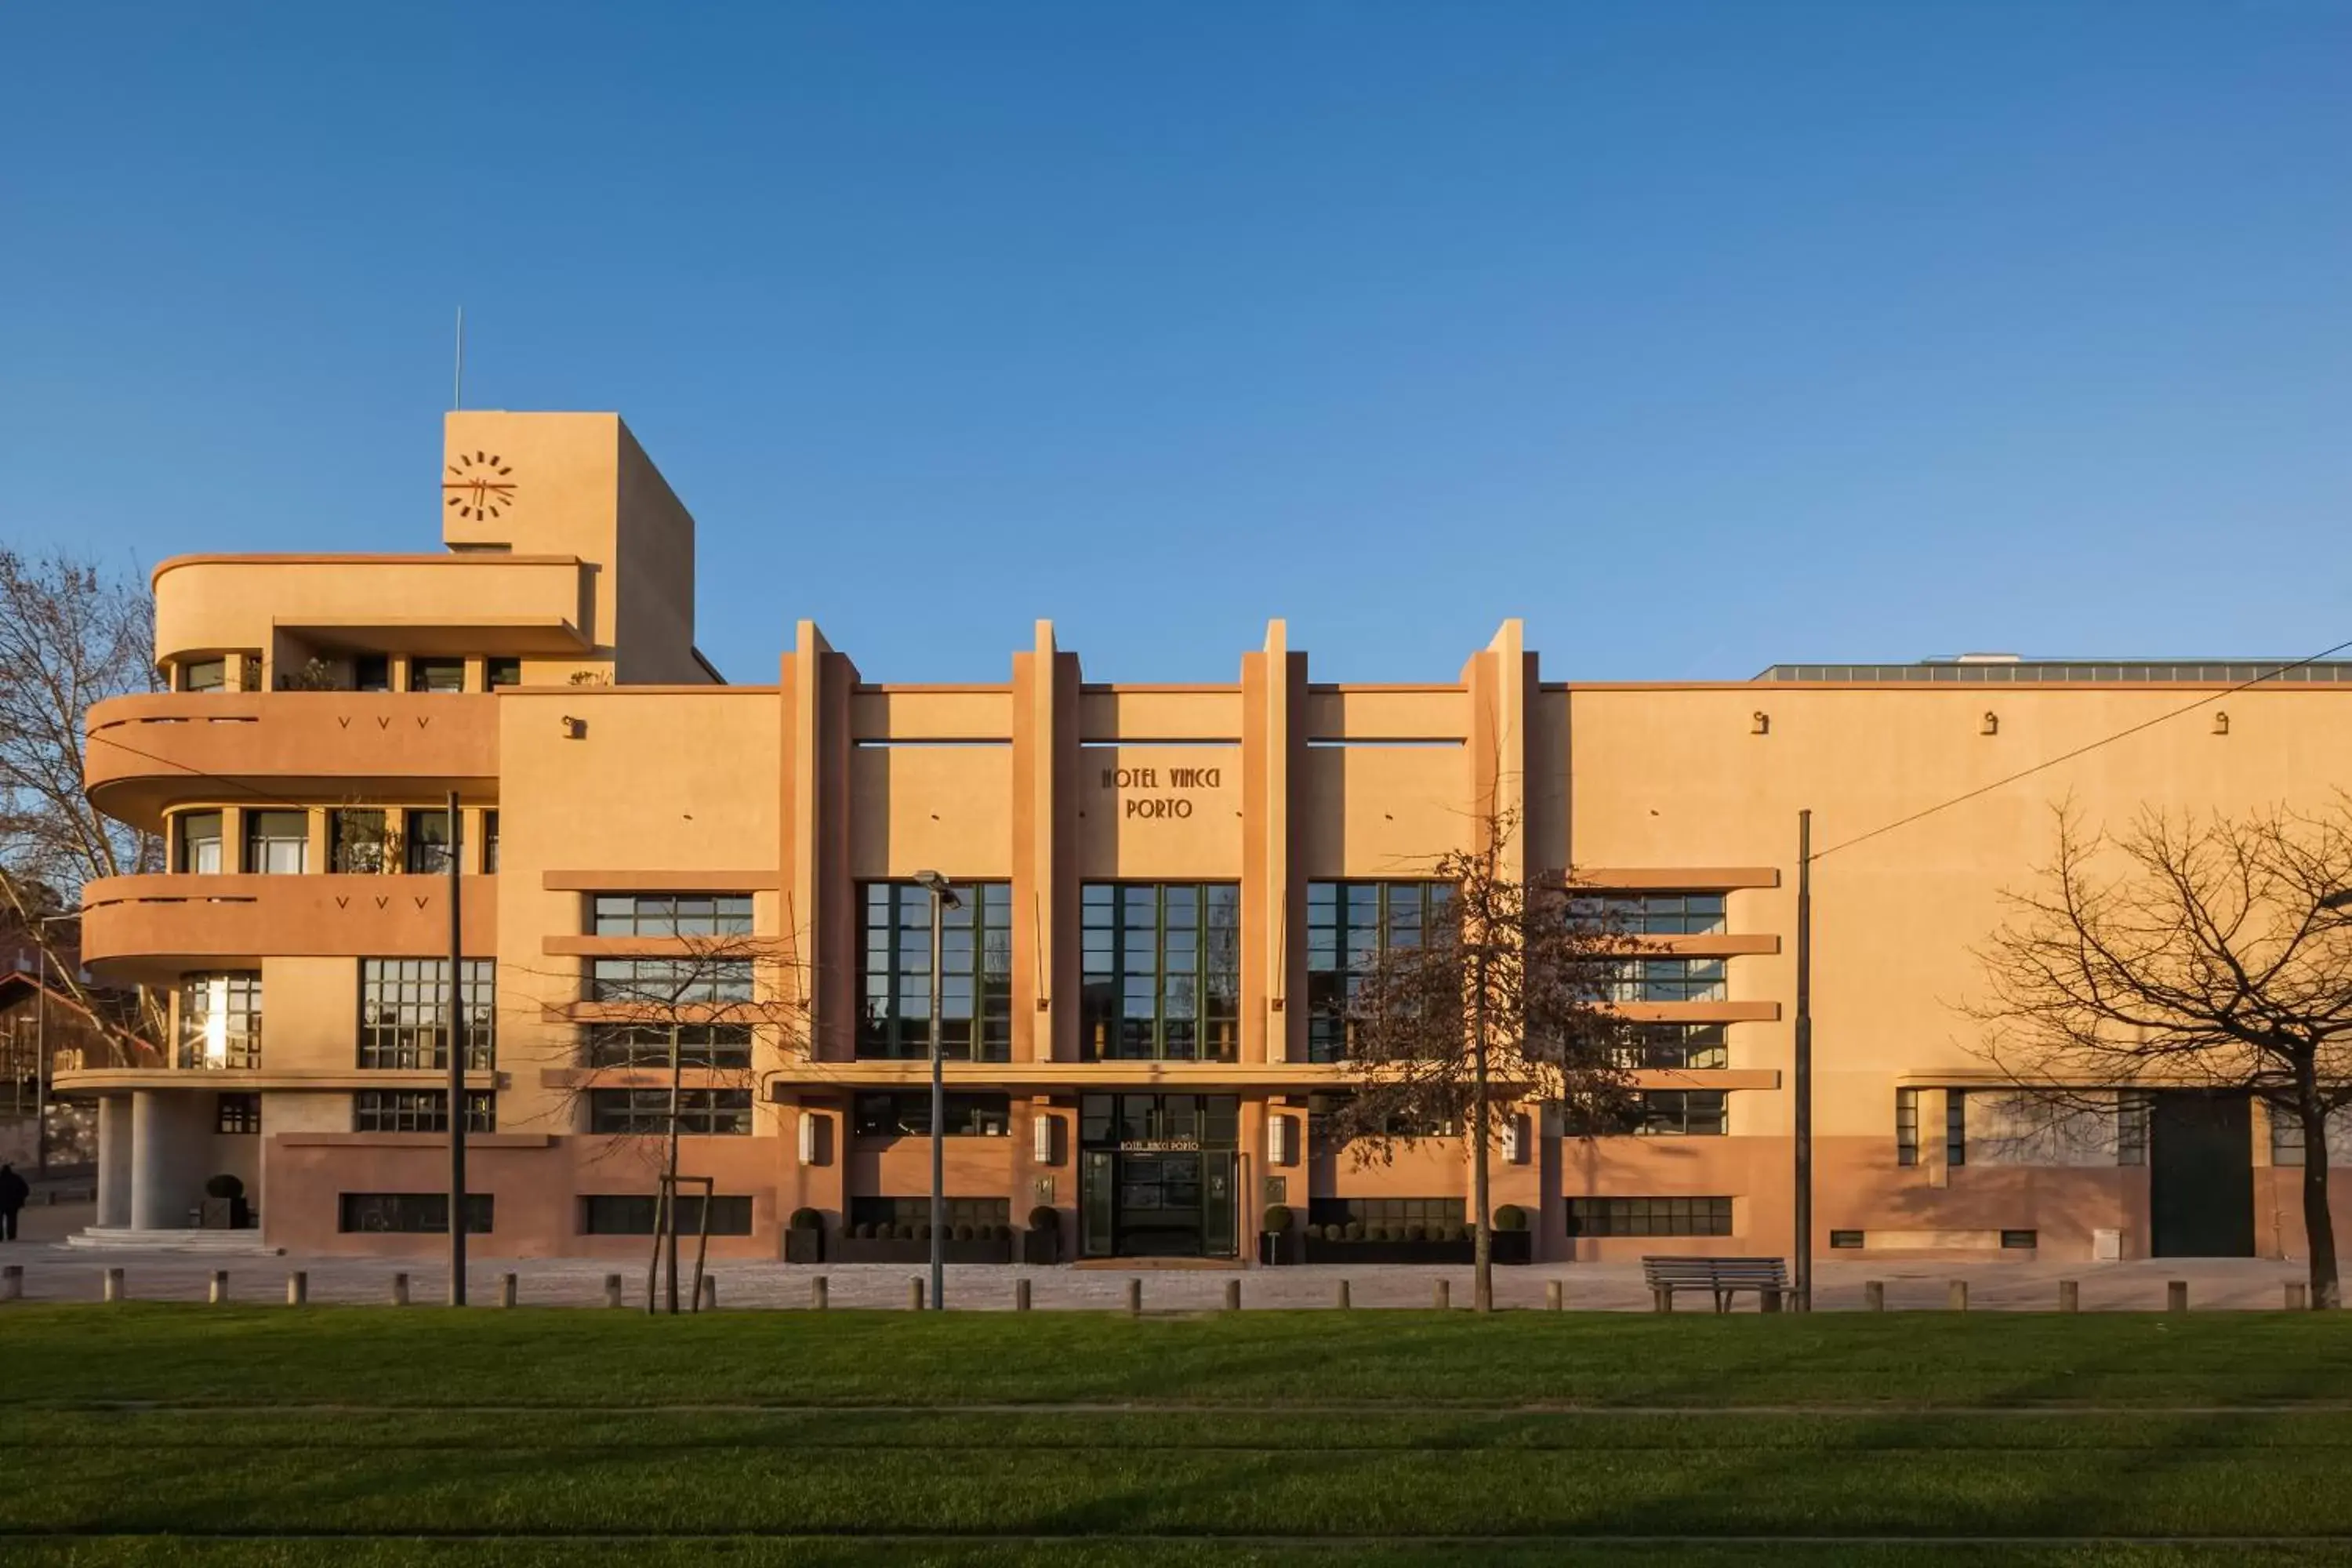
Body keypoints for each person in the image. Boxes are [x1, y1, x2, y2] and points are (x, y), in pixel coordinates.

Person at [0, 1163, 26, 1242]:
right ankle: (11, 1235)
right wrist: (20, 1199)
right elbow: (25, 1190)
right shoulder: (16, 1178)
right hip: (13, 1203)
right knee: (12, 1219)